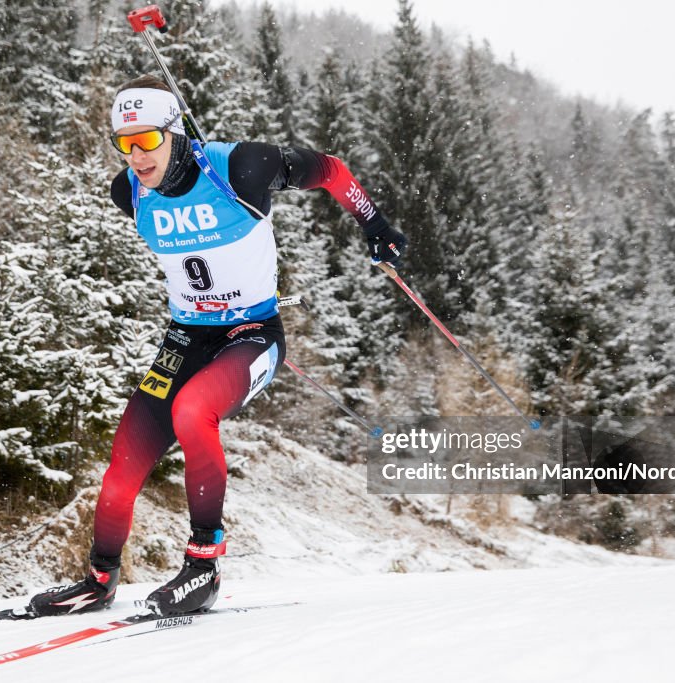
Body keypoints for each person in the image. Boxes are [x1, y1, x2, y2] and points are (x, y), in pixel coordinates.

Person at [28, 75, 407, 618]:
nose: (136, 156)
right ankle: (99, 579)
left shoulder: (241, 167)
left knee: (194, 410)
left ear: (175, 131)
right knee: (123, 464)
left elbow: (329, 169)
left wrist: (375, 224)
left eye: (148, 140)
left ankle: (203, 566)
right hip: (186, 338)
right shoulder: (128, 192)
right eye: (124, 142)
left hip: (251, 335)